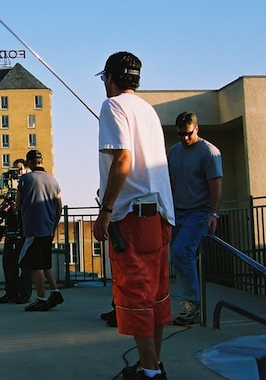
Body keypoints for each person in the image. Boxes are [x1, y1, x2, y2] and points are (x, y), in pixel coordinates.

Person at [92, 52, 174, 380]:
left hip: (132, 217)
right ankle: (150, 365)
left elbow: (123, 159)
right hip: (161, 215)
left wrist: (106, 209)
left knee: (135, 293)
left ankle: (151, 373)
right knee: (155, 295)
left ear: (110, 78)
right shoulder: (148, 111)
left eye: (104, 79)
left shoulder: (112, 107)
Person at [168, 111, 222, 326]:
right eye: (180, 135)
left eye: (188, 134)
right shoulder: (173, 152)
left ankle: (192, 304)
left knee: (182, 252)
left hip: (199, 212)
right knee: (175, 255)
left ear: (196, 129)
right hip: (176, 211)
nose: (184, 138)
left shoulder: (209, 152)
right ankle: (187, 300)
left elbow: (216, 183)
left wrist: (213, 214)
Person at [17, 150, 64, 312]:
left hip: (33, 227)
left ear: (29, 163)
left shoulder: (25, 179)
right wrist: (54, 225)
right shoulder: (53, 180)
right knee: (45, 262)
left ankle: (41, 298)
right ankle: (55, 291)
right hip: (48, 227)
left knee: (35, 265)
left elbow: (17, 204)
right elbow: (59, 206)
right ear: (42, 162)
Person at [0, 159, 33, 304]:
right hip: (11, 231)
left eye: (20, 170)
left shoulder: (28, 187)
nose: (17, 174)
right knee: (9, 263)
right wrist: (3, 209)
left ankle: (23, 293)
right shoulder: (10, 191)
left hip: (24, 230)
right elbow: (2, 210)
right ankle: (10, 292)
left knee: (25, 264)